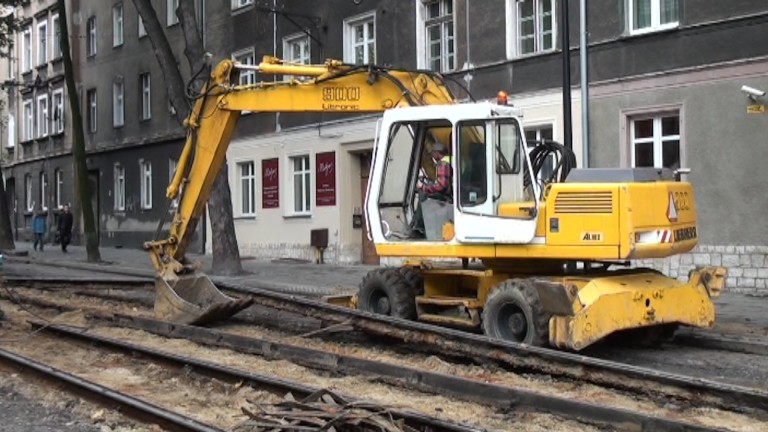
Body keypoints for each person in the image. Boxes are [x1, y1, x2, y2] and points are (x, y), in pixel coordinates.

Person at [411, 141, 452, 236]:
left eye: (433, 153)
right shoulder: (450, 160)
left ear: (438, 153)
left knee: (423, 194)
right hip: (454, 192)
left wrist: (423, 187)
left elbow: (442, 186)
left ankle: (419, 225)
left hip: (448, 195)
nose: (433, 156)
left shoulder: (443, 164)